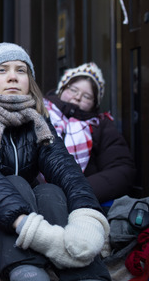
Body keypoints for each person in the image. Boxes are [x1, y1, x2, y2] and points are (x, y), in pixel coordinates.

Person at [0, 42, 111, 280]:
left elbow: (63, 166)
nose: (13, 77)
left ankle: (83, 272)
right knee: (16, 183)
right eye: (2, 70)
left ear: (28, 81)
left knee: (51, 191)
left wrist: (87, 215)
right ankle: (28, 272)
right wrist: (28, 225)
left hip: (27, 224)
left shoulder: (37, 119)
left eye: (20, 70)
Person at [44, 62, 136, 204]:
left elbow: (122, 170)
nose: (77, 97)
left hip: (80, 203)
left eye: (87, 96)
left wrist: (79, 190)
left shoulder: (101, 124)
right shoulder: (38, 112)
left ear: (95, 104)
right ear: (61, 89)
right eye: (73, 89)